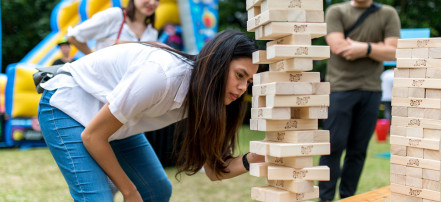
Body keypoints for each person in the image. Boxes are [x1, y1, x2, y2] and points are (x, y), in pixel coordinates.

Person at [37, 30, 265, 201]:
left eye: (249, 81)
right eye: (239, 75)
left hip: (115, 123)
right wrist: (129, 191)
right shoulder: (162, 75)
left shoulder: (209, 100)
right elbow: (92, 137)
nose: (243, 87)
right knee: (98, 198)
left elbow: (215, 171)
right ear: (217, 63)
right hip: (67, 105)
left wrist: (255, 158)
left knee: (156, 191)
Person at [318, 0, 400, 201]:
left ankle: (348, 197)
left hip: (372, 90)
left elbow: (395, 51)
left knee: (358, 150)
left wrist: (362, 48)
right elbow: (338, 47)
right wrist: (377, 48)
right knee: (332, 147)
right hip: (339, 89)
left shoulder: (388, 13)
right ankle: (325, 198)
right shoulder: (336, 11)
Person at [67, 0, 159, 54]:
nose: (152, 2)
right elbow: (73, 36)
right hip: (103, 84)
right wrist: (94, 58)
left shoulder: (152, 33)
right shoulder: (115, 16)